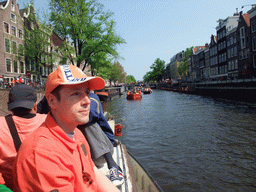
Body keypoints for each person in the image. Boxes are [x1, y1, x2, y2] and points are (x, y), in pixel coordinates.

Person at [13, 64, 120, 192]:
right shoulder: (42, 155)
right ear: (52, 101)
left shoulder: (77, 134)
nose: (87, 101)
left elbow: (92, 173)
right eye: (76, 94)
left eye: (87, 93)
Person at [37, 92, 124, 187]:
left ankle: (113, 166)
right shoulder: (51, 99)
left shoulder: (92, 98)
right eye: (74, 93)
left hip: (100, 153)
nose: (85, 100)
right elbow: (37, 111)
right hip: (75, 157)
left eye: (84, 91)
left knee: (85, 122)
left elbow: (90, 113)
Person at [0, 84, 47, 190]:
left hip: (11, 186)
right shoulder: (48, 122)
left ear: (10, 106)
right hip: (42, 185)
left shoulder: (1, 125)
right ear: (35, 105)